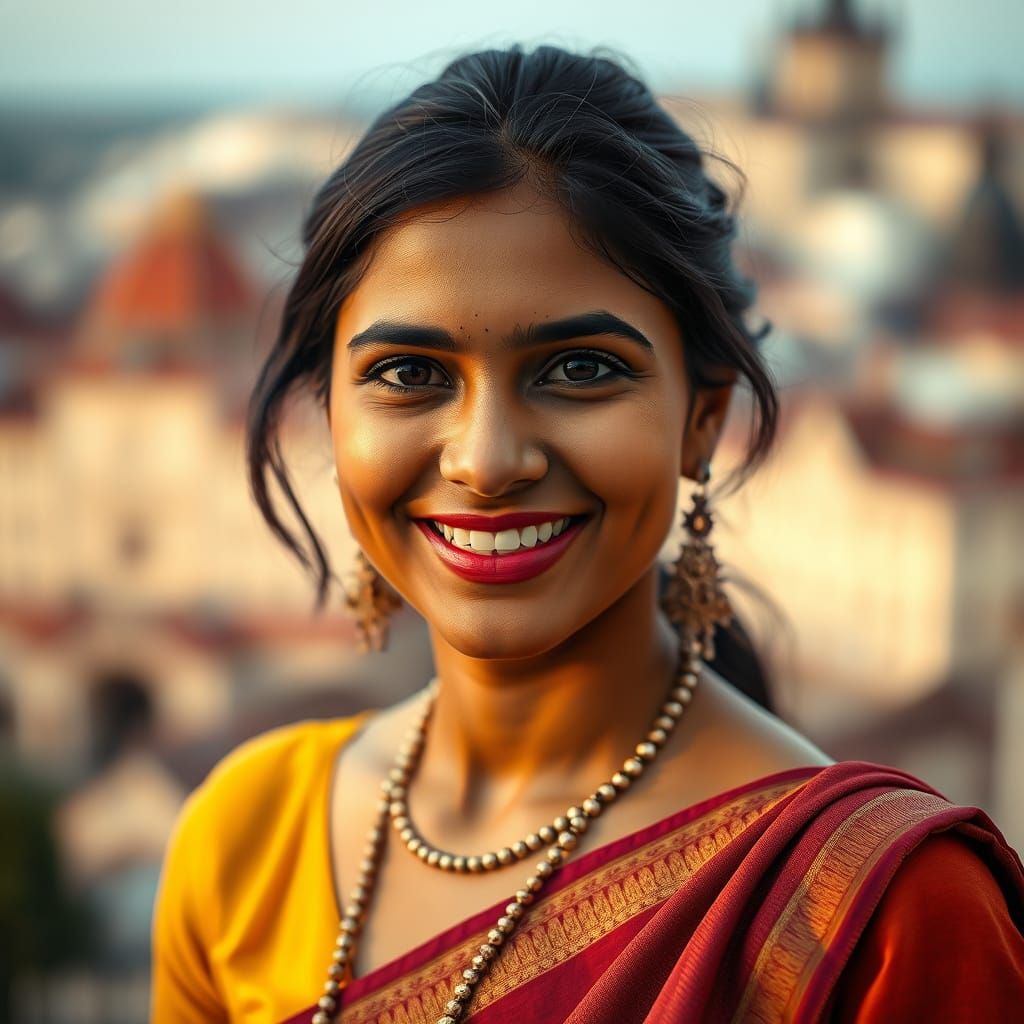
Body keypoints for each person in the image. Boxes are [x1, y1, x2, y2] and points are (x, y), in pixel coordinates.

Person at [151, 44, 1024, 1023]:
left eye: (578, 370)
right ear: (330, 416)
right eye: (407, 373)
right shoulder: (245, 839)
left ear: (702, 415)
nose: (485, 460)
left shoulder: (882, 913)